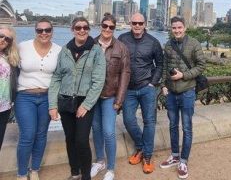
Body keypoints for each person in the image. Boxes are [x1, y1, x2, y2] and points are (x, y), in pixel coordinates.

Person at [48, 17, 106, 180]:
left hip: (84, 101)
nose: (82, 30)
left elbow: (98, 81)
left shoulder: (96, 51)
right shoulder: (65, 50)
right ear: (72, 29)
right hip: (66, 99)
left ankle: (86, 176)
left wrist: (86, 104)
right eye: (78, 27)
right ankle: (75, 173)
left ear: (89, 29)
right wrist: (52, 105)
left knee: (81, 140)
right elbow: (56, 78)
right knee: (70, 139)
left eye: (85, 27)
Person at [15, 18, 61, 180]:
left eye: (47, 30)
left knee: (41, 135)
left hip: (47, 97)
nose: (44, 33)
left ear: (52, 31)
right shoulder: (22, 47)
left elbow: (61, 76)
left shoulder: (59, 50)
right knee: (27, 135)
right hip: (25, 97)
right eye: (40, 30)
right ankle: (21, 173)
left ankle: (34, 169)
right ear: (35, 31)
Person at [160, 16, 205, 179]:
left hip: (187, 92)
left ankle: (184, 160)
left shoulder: (194, 43)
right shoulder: (168, 44)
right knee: (172, 125)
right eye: (174, 28)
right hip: (171, 92)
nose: (177, 30)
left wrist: (183, 75)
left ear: (184, 28)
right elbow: (165, 67)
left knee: (186, 127)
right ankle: (175, 155)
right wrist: (163, 85)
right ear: (171, 29)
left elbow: (201, 65)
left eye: (179, 27)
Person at [118, 12, 163, 174]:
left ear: (145, 24)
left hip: (147, 88)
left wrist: (153, 83)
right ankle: (142, 147)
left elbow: (160, 64)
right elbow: (115, 60)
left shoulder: (153, 42)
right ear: (130, 23)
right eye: (134, 23)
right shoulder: (122, 39)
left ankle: (147, 157)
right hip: (128, 89)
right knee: (128, 120)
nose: (137, 26)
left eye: (140, 23)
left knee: (149, 121)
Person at [90, 13, 130, 180]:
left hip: (110, 96)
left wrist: (119, 100)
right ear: (101, 26)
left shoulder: (121, 48)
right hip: (92, 97)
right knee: (96, 130)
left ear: (114, 28)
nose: (107, 29)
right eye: (104, 26)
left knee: (108, 131)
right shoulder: (90, 44)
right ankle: (100, 161)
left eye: (111, 27)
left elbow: (125, 74)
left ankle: (111, 168)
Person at [0, 25, 20, 151]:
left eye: (7, 39)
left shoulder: (8, 58)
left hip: (4, 107)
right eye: (1, 36)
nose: (3, 40)